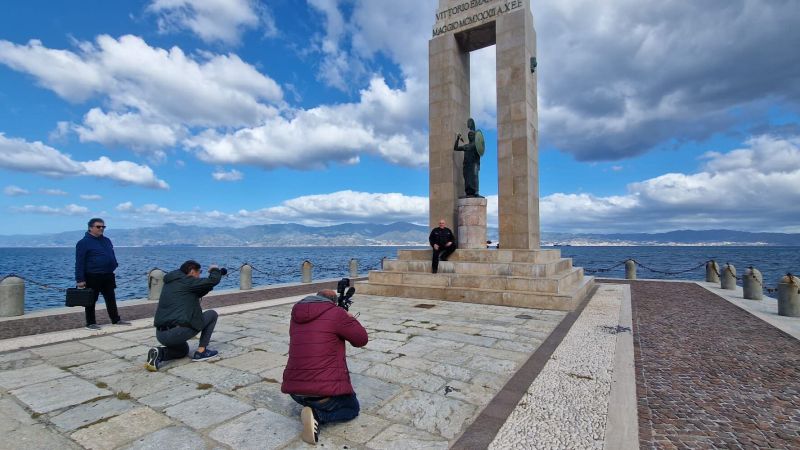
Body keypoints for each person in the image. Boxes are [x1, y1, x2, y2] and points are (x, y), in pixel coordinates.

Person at [282, 289, 368, 445]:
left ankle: (310, 405)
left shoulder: (296, 314)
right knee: (352, 408)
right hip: (322, 393)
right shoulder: (337, 313)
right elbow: (361, 339)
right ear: (333, 302)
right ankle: (318, 415)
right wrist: (349, 317)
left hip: (294, 391)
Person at [145, 260, 223, 372]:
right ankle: (201, 352)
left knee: (183, 350)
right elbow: (213, 280)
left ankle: (159, 353)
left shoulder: (172, 282)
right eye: (199, 272)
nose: (199, 275)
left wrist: (211, 282)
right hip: (177, 332)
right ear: (192, 271)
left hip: (161, 335)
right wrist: (214, 270)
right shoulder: (188, 281)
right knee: (212, 314)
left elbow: (198, 290)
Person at [75, 218, 130, 330]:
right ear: (90, 228)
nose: (101, 228)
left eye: (103, 227)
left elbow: (111, 254)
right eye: (98, 226)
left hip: (108, 274)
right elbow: (79, 262)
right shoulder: (83, 243)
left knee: (111, 298)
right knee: (91, 300)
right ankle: (90, 323)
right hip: (92, 275)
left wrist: (114, 264)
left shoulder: (107, 240)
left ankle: (116, 319)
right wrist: (80, 279)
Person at [453, 117, 484, 198]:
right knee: (467, 179)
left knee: (474, 177)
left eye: (472, 135)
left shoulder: (475, 145)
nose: (470, 136)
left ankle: (476, 192)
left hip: (473, 164)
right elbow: (456, 148)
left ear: (474, 136)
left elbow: (480, 149)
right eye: (469, 135)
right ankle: (468, 193)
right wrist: (457, 139)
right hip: (466, 165)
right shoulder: (466, 146)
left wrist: (472, 126)